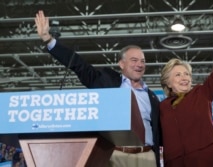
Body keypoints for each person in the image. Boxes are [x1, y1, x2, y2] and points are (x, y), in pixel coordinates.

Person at [35, 10, 161, 167]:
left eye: (142, 61)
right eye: (134, 60)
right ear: (121, 64)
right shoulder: (106, 80)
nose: (139, 64)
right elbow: (79, 65)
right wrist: (48, 40)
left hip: (146, 157)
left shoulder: (152, 97)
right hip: (115, 155)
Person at [159, 16, 213, 167]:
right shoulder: (162, 107)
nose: (184, 77)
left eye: (187, 74)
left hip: (208, 160)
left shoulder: (201, 93)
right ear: (168, 82)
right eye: (178, 75)